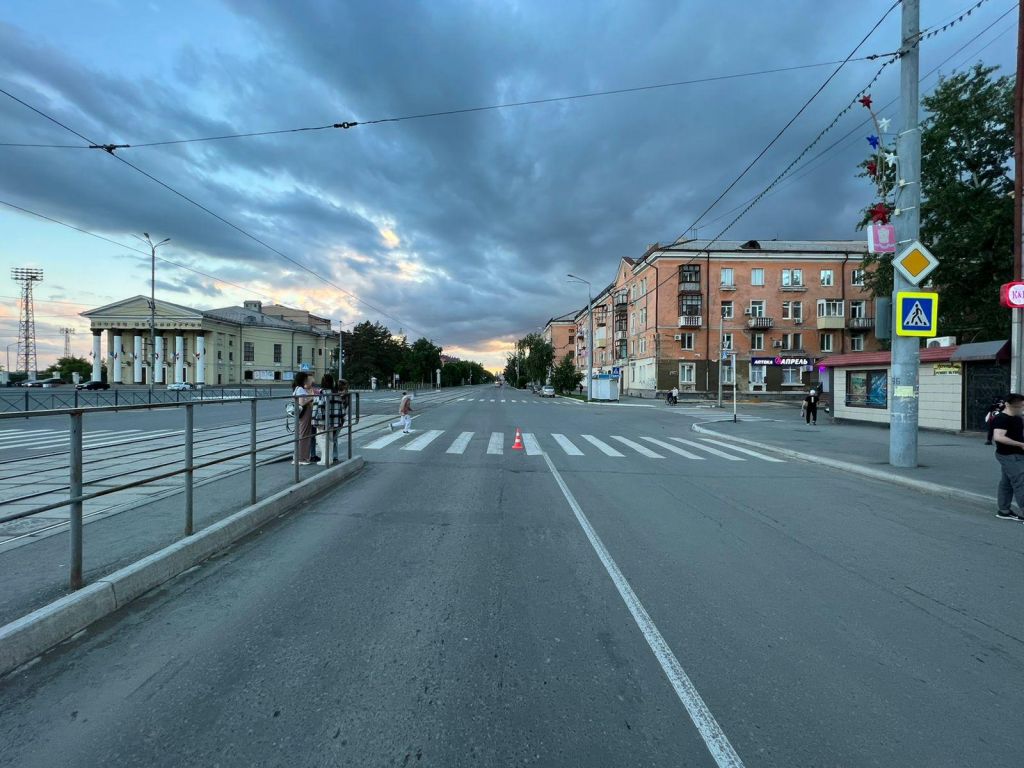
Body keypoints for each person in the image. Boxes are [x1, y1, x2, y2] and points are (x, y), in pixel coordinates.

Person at [992, 393, 1024, 520]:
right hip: (1008, 455)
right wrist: (1020, 444)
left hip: (1017, 455)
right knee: (1021, 482)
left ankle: (1004, 510)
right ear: (1008, 405)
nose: (1021, 408)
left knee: (1007, 482)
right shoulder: (1001, 418)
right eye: (1019, 406)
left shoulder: (1017, 418)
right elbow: (998, 437)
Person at [291, 372, 315, 464]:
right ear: (302, 379)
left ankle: (298, 457)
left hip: (301, 414)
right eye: (306, 378)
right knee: (305, 435)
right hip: (305, 413)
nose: (307, 380)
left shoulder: (297, 388)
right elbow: (301, 403)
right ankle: (302, 458)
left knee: (302, 434)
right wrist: (311, 398)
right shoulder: (300, 389)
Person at [312, 374, 335, 463]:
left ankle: (325, 460)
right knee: (330, 439)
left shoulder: (321, 392)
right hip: (333, 420)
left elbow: (318, 406)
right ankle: (329, 459)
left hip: (322, 420)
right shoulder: (334, 391)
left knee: (321, 438)